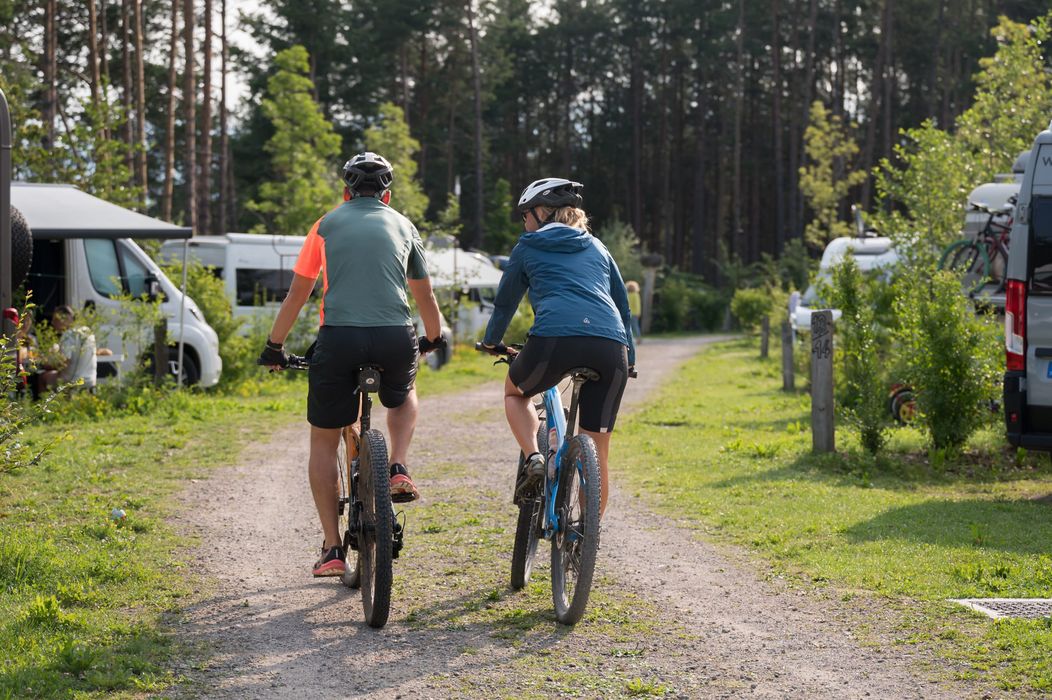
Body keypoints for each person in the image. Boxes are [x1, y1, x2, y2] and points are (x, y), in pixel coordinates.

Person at [259, 151, 446, 578]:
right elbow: (425, 296)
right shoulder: (404, 225)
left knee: (323, 442)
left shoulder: (325, 225)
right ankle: (397, 465)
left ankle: (332, 548)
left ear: (346, 192)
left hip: (339, 338)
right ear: (387, 195)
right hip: (395, 336)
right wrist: (432, 338)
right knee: (404, 395)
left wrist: (275, 345)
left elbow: (298, 294)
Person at [481, 178, 635, 519]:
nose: (524, 222)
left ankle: (534, 457)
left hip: (554, 339)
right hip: (611, 348)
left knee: (514, 393)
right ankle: (583, 540)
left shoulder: (528, 245)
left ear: (541, 213)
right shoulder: (598, 247)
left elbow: (505, 304)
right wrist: (631, 358)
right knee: (599, 450)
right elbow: (623, 309)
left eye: (525, 214)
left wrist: (493, 342)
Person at [39, 305, 97, 393]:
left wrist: (46, 364)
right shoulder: (87, 331)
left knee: (42, 377)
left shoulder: (68, 335)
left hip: (72, 380)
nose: (52, 323)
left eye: (55, 319)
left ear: (63, 319)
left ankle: (45, 405)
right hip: (90, 379)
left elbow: (64, 362)